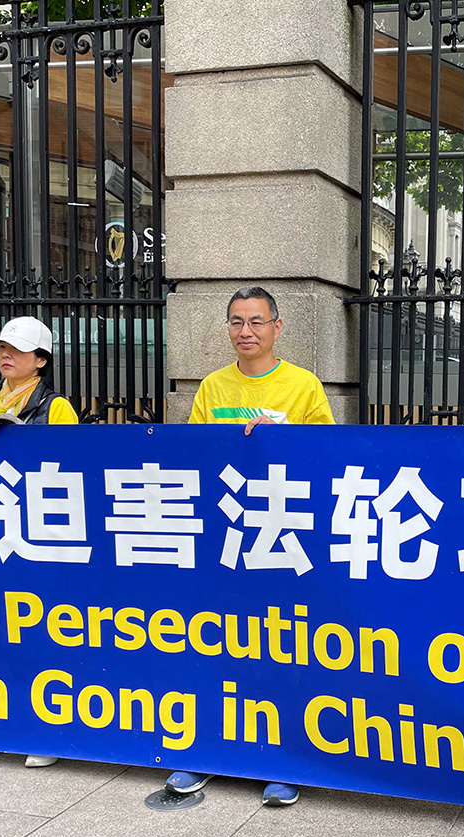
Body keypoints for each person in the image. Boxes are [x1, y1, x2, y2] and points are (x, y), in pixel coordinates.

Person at [165, 285, 334, 807]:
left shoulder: (304, 386)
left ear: (277, 327)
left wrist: (281, 441)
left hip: (282, 541)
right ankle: (207, 751)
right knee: (218, 645)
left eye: (257, 321)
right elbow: (193, 456)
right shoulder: (212, 387)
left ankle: (285, 759)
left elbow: (329, 457)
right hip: (225, 540)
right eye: (237, 322)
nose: (246, 331)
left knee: (282, 647)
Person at [0, 315, 78, 768]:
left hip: (40, 532)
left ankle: (47, 731)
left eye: (17, 349)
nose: (5, 355)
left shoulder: (56, 407)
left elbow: (71, 466)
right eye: (1, 348)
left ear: (41, 360)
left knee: (43, 629)